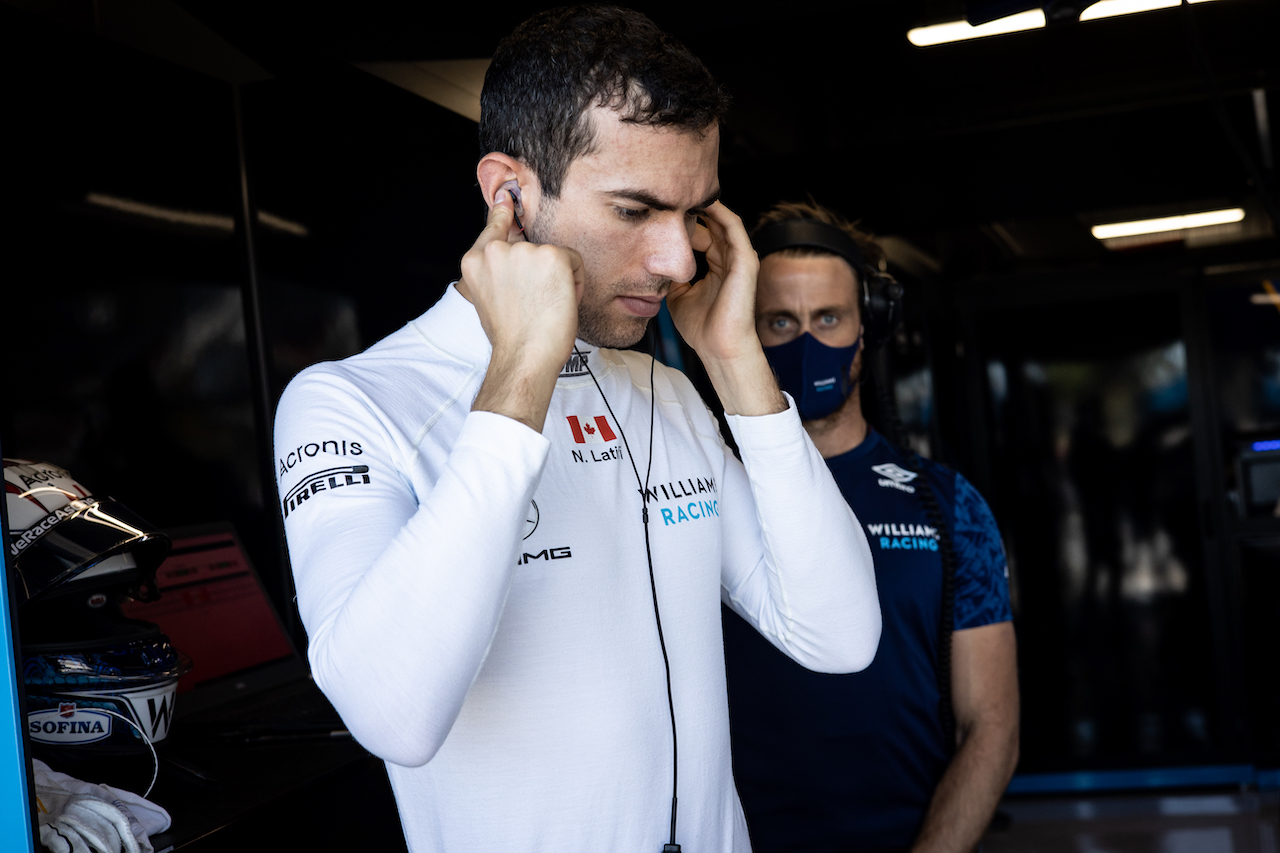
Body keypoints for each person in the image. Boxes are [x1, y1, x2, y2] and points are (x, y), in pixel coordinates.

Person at [272, 9, 881, 853]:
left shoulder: (665, 392)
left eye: (693, 214)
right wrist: (522, 367)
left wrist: (736, 360)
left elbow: (840, 635)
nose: (678, 260)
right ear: (509, 193)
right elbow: (393, 715)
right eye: (634, 210)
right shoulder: (351, 401)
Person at [722, 200, 1019, 853]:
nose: (806, 341)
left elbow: (991, 726)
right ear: (745, 327)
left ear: (870, 324)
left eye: (828, 318)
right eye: (779, 321)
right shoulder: (700, 493)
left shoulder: (949, 505)